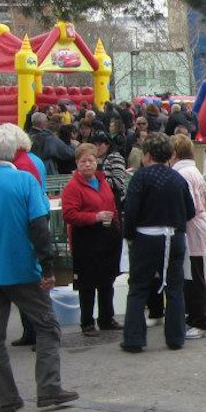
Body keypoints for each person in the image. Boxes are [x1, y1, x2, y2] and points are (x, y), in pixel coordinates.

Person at [0, 124, 78, 412]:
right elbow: (39, 228)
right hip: (23, 269)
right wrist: (47, 267)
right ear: (14, 152)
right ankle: (49, 388)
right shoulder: (25, 181)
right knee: (47, 327)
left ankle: (7, 399)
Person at [120, 133, 195, 353]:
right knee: (175, 288)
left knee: (138, 288)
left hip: (146, 237)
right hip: (174, 237)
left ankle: (134, 339)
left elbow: (130, 211)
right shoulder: (177, 178)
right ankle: (176, 338)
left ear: (148, 155)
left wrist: (129, 236)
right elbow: (190, 210)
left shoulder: (140, 178)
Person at [60, 143, 123, 337]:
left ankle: (106, 318)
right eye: (83, 161)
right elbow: (69, 215)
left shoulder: (102, 181)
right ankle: (87, 322)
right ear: (77, 163)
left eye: (91, 160)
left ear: (97, 162)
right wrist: (94, 217)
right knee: (87, 284)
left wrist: (116, 226)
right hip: (85, 238)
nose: (87, 164)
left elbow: (111, 204)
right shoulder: (72, 187)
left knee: (107, 280)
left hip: (107, 236)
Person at [170, 135, 206, 339]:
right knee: (193, 274)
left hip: (192, 226)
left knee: (195, 276)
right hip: (197, 224)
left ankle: (202, 321)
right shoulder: (191, 170)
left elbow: (189, 206)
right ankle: (196, 317)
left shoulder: (183, 173)